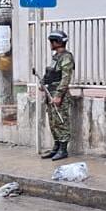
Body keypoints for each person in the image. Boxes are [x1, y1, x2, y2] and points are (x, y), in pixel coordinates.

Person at [40, 30, 74, 161]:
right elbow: (51, 74)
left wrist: (59, 95)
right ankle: (56, 147)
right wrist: (43, 83)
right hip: (50, 93)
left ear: (57, 42)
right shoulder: (56, 57)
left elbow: (65, 78)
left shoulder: (66, 57)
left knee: (61, 122)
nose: (50, 44)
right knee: (53, 122)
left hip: (59, 95)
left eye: (51, 42)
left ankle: (63, 149)